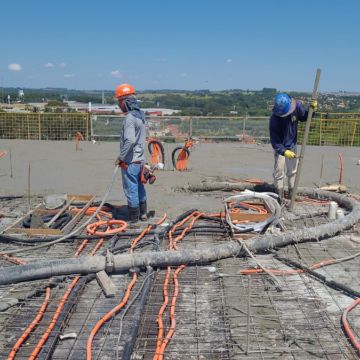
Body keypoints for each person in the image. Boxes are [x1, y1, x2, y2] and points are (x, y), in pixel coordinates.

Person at [269, 93, 317, 199]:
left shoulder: (297, 107)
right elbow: (275, 142)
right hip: (280, 148)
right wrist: (284, 152)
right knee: (279, 172)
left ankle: (292, 193)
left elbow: (305, 117)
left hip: (292, 144)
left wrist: (312, 110)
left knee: (292, 171)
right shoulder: (274, 120)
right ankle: (279, 195)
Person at [115, 83, 148, 222]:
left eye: (119, 102)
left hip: (130, 161)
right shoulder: (140, 115)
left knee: (131, 190)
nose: (119, 105)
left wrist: (121, 157)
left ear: (125, 101)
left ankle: (134, 219)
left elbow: (129, 140)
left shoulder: (129, 118)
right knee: (140, 188)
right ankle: (143, 214)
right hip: (140, 160)